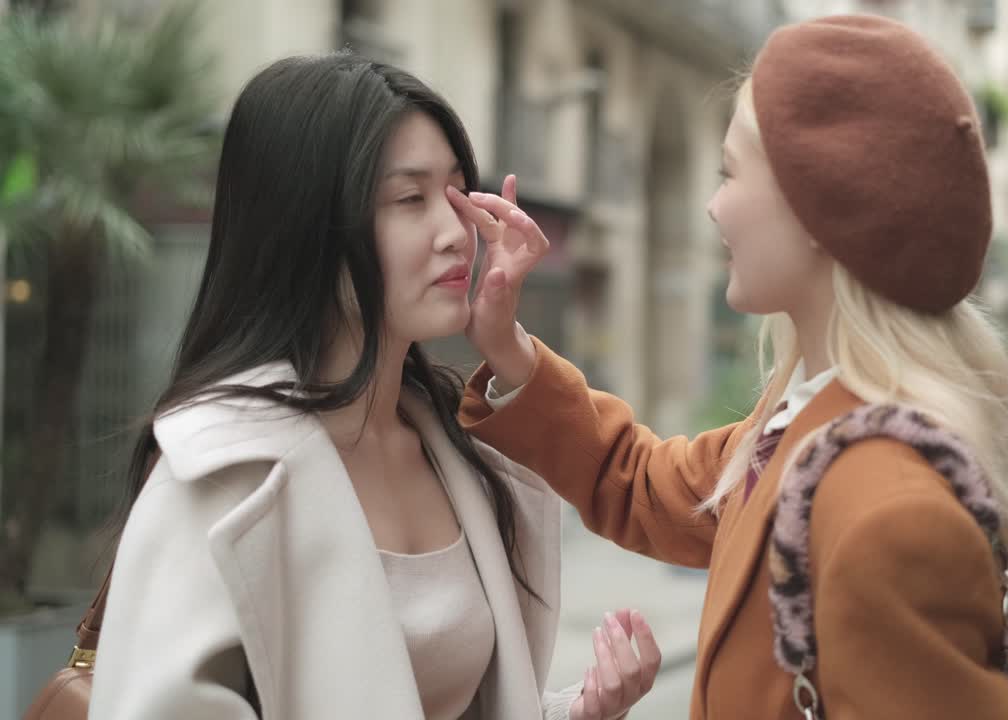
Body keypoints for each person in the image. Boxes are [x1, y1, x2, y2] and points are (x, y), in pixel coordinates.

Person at [450, 15, 1008, 719]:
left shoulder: (888, 510)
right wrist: (507, 348)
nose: (713, 206)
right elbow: (642, 480)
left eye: (730, 173)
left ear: (817, 210)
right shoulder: (808, 427)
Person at [89, 53, 660, 720]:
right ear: (308, 228)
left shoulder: (459, 449)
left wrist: (575, 712)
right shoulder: (222, 470)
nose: (456, 234)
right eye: (410, 199)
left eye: (458, 194)